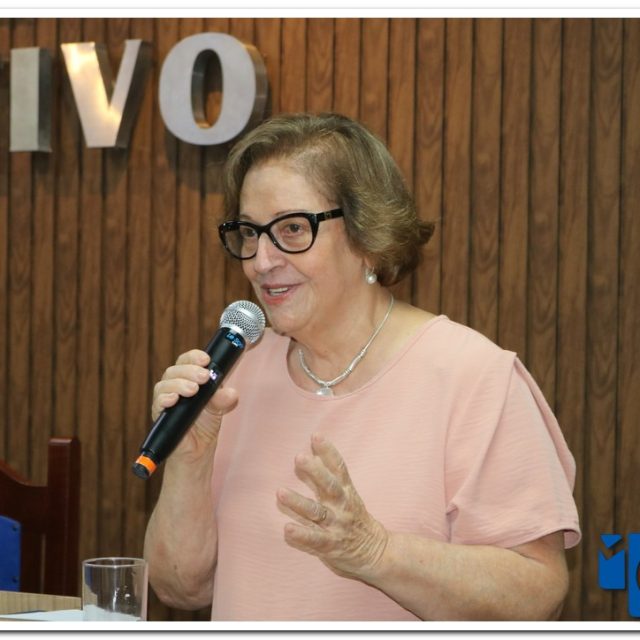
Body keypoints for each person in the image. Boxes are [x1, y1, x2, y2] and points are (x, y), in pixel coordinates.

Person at [143, 112, 581, 621]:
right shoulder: (233, 377)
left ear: (367, 235)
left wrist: (375, 552)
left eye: (291, 229)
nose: (261, 261)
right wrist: (190, 460)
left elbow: (537, 594)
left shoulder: (473, 378)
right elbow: (181, 588)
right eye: (248, 233)